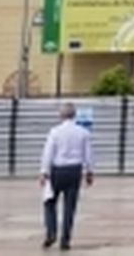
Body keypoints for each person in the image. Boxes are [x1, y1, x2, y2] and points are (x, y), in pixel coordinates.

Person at [40, 103, 95, 250]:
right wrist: (89, 171)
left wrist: (44, 172)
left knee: (49, 202)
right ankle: (65, 240)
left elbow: (48, 152)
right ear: (74, 115)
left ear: (61, 115)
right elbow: (88, 154)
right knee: (70, 207)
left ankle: (51, 232)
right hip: (74, 171)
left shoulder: (55, 132)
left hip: (57, 170)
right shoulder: (83, 132)